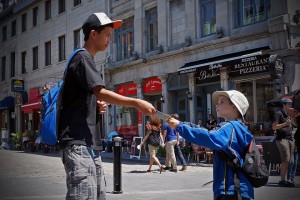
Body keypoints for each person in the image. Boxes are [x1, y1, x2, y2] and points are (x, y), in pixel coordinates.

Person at [58, 13, 156, 200]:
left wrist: (96, 107)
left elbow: (83, 99)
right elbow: (100, 92)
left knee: (97, 195)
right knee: (83, 196)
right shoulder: (82, 58)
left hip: (88, 142)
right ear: (93, 34)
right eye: (108, 35)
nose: (110, 40)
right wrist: (136, 102)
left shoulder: (87, 60)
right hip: (78, 142)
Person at [167, 90, 253, 200]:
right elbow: (207, 132)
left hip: (229, 190)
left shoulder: (229, 127)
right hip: (242, 188)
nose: (217, 104)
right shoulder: (241, 127)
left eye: (222, 102)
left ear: (234, 107)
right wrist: (182, 124)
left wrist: (180, 126)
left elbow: (208, 137)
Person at [272, 98, 295, 187]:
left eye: (291, 104)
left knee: (290, 161)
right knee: (286, 159)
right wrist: (285, 124)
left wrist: (293, 117)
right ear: (284, 105)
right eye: (288, 104)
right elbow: (274, 127)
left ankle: (288, 179)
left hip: (290, 139)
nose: (290, 106)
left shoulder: (289, 114)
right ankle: (282, 180)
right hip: (282, 139)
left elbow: (294, 124)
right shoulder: (279, 113)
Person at [287, 103, 300, 186]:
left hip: (295, 140)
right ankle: (290, 179)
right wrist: (292, 115)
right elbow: (295, 124)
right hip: (296, 141)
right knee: (293, 161)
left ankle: (291, 179)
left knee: (294, 161)